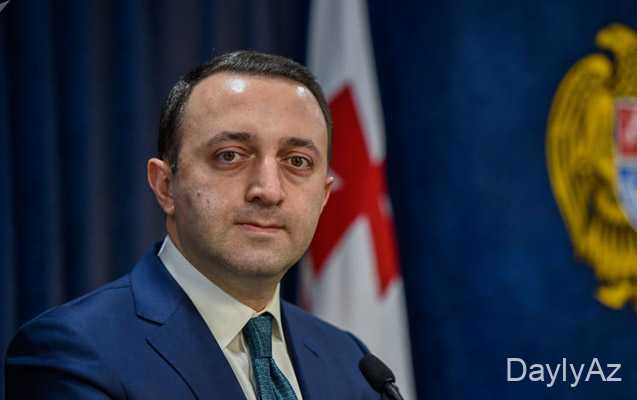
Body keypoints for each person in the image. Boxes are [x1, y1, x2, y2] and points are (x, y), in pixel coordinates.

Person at [5, 51, 380, 399]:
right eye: (230, 156)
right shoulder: (72, 353)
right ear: (165, 186)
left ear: (324, 196)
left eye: (297, 161)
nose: (268, 190)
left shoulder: (352, 363)